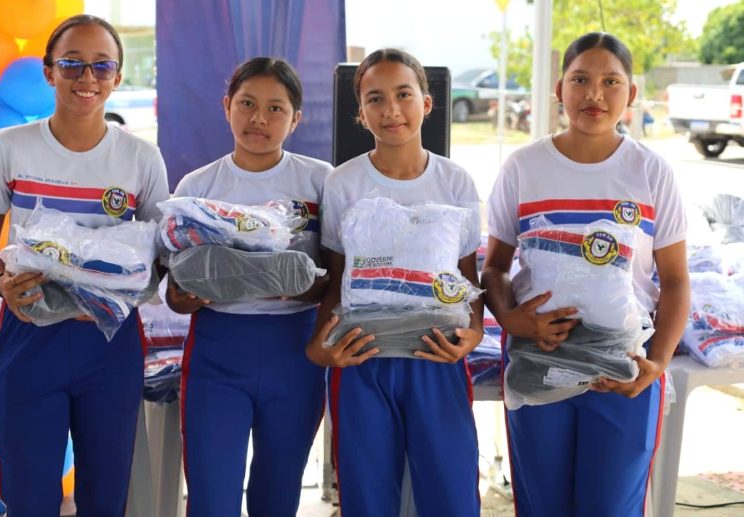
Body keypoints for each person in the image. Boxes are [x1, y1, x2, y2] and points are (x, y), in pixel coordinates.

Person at [481, 32, 689, 517]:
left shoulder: (650, 171)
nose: (595, 94)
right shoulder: (524, 167)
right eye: (581, 80)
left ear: (631, 94)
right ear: (559, 88)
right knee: (542, 504)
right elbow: (494, 266)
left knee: (610, 507)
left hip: (624, 368)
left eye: (610, 82)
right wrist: (511, 319)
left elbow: (676, 281)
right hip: (540, 358)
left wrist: (656, 363)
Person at [0, 15, 169, 516]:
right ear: (48, 72)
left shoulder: (142, 159)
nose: (87, 78)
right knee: (29, 497)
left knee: (104, 498)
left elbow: (158, 260)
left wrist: (121, 292)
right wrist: (2, 282)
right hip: (29, 336)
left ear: (118, 76)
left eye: (102, 66)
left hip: (109, 344)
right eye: (72, 64)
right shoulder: (8, 147)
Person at [307, 48, 484, 516]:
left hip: (437, 357)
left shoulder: (455, 182)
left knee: (451, 493)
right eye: (375, 99)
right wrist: (319, 347)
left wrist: (476, 334)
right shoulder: (344, 183)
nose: (391, 110)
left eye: (403, 94)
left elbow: (468, 278)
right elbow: (337, 277)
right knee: (367, 497)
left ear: (427, 103)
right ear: (361, 113)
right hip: (363, 357)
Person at [166, 57, 331, 517]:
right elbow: (175, 292)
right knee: (212, 498)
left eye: (276, 108)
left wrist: (298, 288)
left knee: (276, 497)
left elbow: (338, 276)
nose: (259, 118)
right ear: (226, 106)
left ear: (296, 118)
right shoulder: (198, 187)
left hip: (295, 352)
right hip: (218, 352)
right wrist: (188, 294)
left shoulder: (320, 181)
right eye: (247, 103)